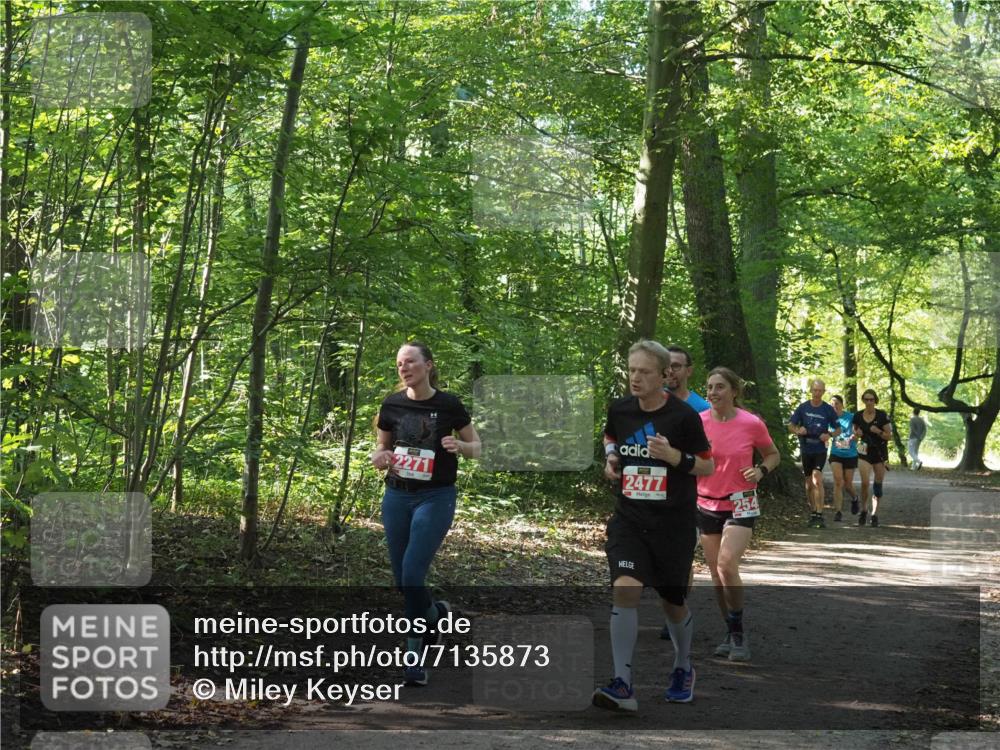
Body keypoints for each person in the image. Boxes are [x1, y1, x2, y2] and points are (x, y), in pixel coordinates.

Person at [593, 340, 714, 712]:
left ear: (665, 375)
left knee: (672, 602)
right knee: (624, 590)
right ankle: (622, 684)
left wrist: (673, 456)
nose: (635, 378)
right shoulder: (621, 409)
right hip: (630, 519)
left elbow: (707, 466)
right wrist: (612, 458)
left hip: (673, 524)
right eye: (632, 370)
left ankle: (682, 666)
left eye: (644, 371)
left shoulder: (682, 417)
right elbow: (611, 436)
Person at [371, 342, 481, 686]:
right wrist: (379, 457)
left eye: (411, 362)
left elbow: (477, 447)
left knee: (413, 574)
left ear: (428, 365)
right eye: (399, 363)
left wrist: (460, 447)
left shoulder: (448, 405)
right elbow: (382, 447)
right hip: (397, 497)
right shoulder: (391, 404)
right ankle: (436, 615)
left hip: (435, 497)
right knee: (403, 581)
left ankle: (413, 658)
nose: (404, 368)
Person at [696, 367, 780, 663]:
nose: (713, 393)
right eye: (709, 387)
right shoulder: (698, 422)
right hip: (706, 502)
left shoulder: (751, 423)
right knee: (717, 577)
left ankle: (739, 634)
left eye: (719, 387)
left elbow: (773, 454)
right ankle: (730, 632)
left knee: (726, 564)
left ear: (734, 391)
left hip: (741, 501)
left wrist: (760, 470)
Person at [788, 379, 839, 528]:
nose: (817, 393)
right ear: (811, 391)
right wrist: (798, 430)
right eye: (815, 390)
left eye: (820, 391)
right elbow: (791, 425)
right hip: (806, 449)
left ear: (824, 392)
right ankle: (812, 512)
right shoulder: (803, 407)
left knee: (817, 479)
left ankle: (820, 513)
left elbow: (838, 429)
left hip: (820, 449)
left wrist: (829, 435)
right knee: (809, 483)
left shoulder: (828, 409)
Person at [852, 389, 892, 527]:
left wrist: (879, 431)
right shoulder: (857, 415)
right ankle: (864, 509)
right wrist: (857, 433)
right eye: (866, 399)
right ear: (863, 400)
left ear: (875, 401)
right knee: (864, 483)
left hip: (879, 452)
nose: (869, 402)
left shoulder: (881, 415)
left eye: (872, 400)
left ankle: (874, 513)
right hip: (863, 451)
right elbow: (854, 432)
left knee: (877, 485)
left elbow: (889, 436)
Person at [829, 395, 860, 522]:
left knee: (847, 484)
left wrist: (854, 436)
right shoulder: (829, 418)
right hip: (836, 453)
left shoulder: (851, 417)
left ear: (842, 404)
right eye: (832, 404)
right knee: (838, 481)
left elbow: (858, 433)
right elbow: (826, 433)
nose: (834, 406)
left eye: (836, 403)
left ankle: (855, 498)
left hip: (850, 454)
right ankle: (838, 511)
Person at [665, 345, 711, 413]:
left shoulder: (703, 409)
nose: (670, 371)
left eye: (676, 366)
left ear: (689, 371)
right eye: (666, 366)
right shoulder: (651, 401)